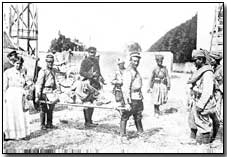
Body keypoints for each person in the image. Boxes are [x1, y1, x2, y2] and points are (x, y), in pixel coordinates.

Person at [187, 49, 216, 144]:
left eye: (195, 60)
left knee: (203, 124)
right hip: (196, 99)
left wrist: (201, 104)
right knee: (192, 120)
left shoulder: (207, 73)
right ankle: (192, 139)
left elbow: (207, 92)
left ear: (201, 59)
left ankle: (205, 145)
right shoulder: (199, 71)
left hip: (203, 102)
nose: (194, 63)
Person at [3, 56, 30, 140]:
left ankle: (21, 134)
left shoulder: (23, 72)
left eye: (20, 63)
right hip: (11, 95)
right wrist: (4, 96)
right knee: (11, 114)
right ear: (13, 63)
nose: (18, 65)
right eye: (16, 63)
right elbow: (4, 86)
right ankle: (10, 135)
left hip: (20, 95)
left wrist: (28, 88)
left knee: (21, 114)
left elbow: (28, 83)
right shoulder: (8, 72)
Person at [79, 46, 105, 128]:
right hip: (87, 84)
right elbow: (81, 72)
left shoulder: (96, 61)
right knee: (87, 102)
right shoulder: (85, 61)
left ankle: (90, 121)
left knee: (92, 102)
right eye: (91, 52)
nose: (92, 54)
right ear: (88, 53)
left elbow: (99, 72)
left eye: (94, 53)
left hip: (95, 84)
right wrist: (90, 75)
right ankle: (87, 122)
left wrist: (102, 79)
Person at [120, 51, 144, 138]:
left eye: (137, 61)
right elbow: (126, 89)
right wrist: (127, 102)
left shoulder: (136, 72)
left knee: (138, 116)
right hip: (132, 98)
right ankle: (122, 135)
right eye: (134, 61)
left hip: (138, 97)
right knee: (125, 116)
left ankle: (140, 132)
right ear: (130, 61)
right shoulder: (128, 72)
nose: (136, 63)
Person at [35, 54, 59, 130]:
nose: (50, 63)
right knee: (43, 108)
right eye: (48, 62)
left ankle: (49, 123)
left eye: (51, 62)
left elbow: (55, 81)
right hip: (44, 92)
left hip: (51, 91)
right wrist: (37, 95)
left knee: (51, 108)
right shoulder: (43, 71)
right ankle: (42, 124)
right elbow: (39, 84)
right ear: (46, 62)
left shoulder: (54, 70)